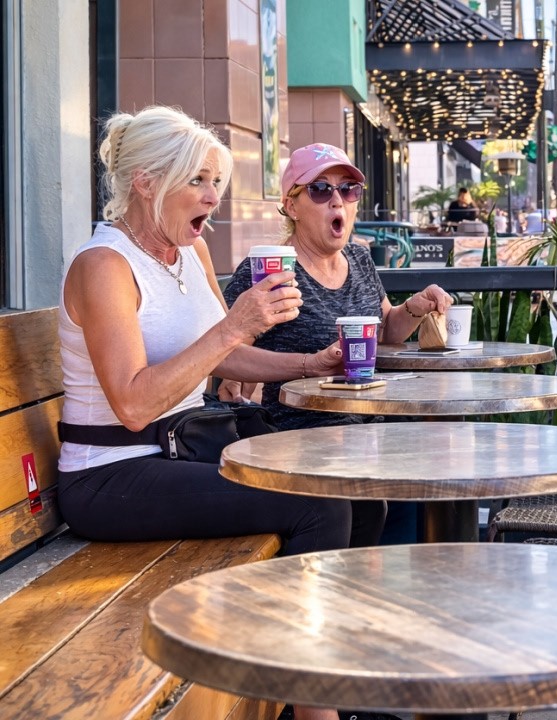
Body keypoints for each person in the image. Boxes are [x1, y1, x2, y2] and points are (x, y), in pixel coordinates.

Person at [59, 108, 376, 720]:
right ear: (146, 181)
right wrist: (234, 326)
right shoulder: (104, 266)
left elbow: (231, 353)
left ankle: (331, 672)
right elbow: (132, 403)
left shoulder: (190, 252)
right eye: (198, 181)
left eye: (218, 183)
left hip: (183, 447)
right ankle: (311, 708)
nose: (213, 197)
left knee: (341, 478)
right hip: (111, 474)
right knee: (319, 503)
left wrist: (314, 364)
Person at [221, 143, 452, 432]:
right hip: (303, 431)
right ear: (292, 207)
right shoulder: (270, 270)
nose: (337, 200)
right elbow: (225, 353)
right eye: (319, 189)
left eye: (348, 188)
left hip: (374, 423)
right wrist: (309, 365)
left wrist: (413, 308)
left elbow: (384, 330)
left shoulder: (359, 259)